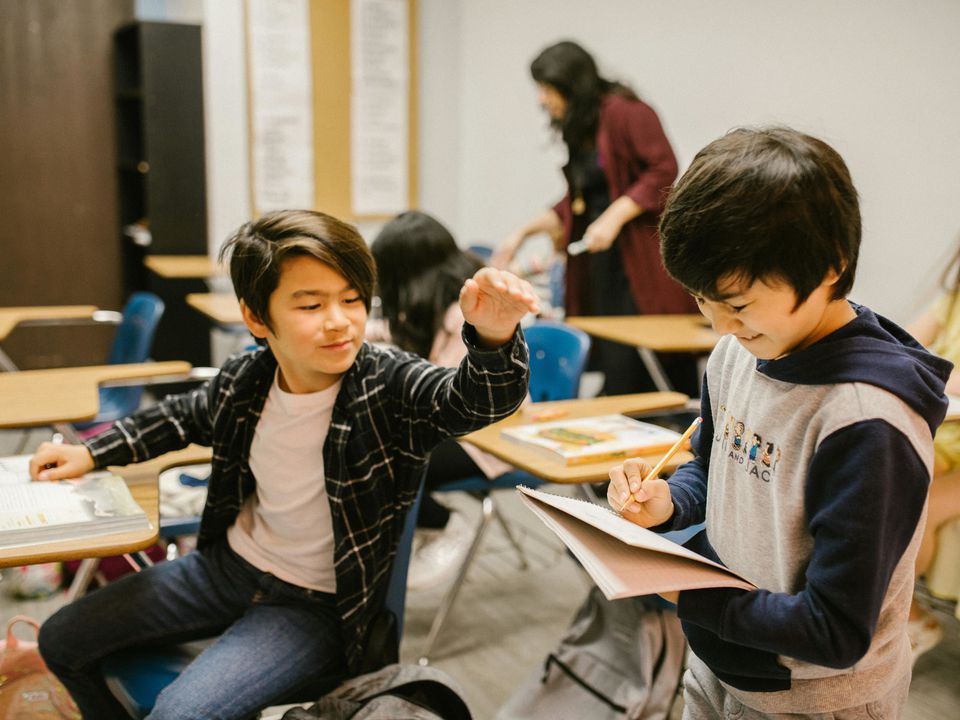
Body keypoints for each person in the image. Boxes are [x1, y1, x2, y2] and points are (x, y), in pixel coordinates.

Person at [30, 209, 539, 720]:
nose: (339, 320)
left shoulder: (387, 383)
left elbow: (473, 403)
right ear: (257, 318)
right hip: (227, 568)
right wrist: (94, 450)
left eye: (352, 299)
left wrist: (493, 339)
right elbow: (184, 415)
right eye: (311, 304)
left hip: (314, 607)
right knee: (60, 640)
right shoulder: (247, 377)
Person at [605, 127, 951, 717]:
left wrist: (685, 594)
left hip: (816, 699)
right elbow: (715, 470)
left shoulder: (867, 422)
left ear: (830, 267)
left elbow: (835, 632)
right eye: (701, 302)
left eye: (736, 306)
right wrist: (669, 502)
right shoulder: (738, 352)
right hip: (723, 659)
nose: (719, 327)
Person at [493, 39, 696, 396]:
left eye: (546, 88)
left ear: (571, 84)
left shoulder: (627, 112)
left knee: (645, 370)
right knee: (616, 366)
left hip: (639, 268)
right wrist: (521, 234)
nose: (542, 99)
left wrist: (616, 217)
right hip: (603, 266)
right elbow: (581, 197)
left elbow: (664, 170)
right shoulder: (584, 126)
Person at [371, 210, 517, 590]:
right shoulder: (433, 305)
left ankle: (444, 525)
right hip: (452, 427)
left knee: (383, 453)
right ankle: (411, 526)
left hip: (487, 437)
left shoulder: (467, 312)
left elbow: (457, 400)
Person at [905, 238, 960, 660]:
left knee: (916, 512)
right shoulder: (953, 299)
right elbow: (904, 349)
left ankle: (905, 617)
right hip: (941, 437)